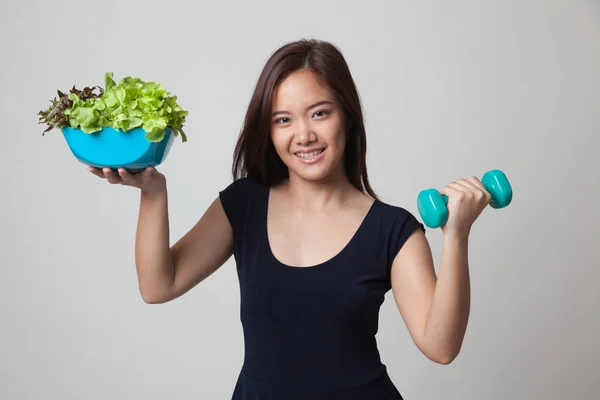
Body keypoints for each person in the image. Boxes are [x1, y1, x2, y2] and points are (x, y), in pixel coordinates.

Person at [89, 39, 492, 399]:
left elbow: (441, 347)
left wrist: (456, 236)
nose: (303, 135)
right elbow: (158, 286)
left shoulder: (393, 230)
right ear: (269, 130)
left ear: (347, 118)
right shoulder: (243, 204)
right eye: (283, 119)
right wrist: (153, 193)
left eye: (319, 113)